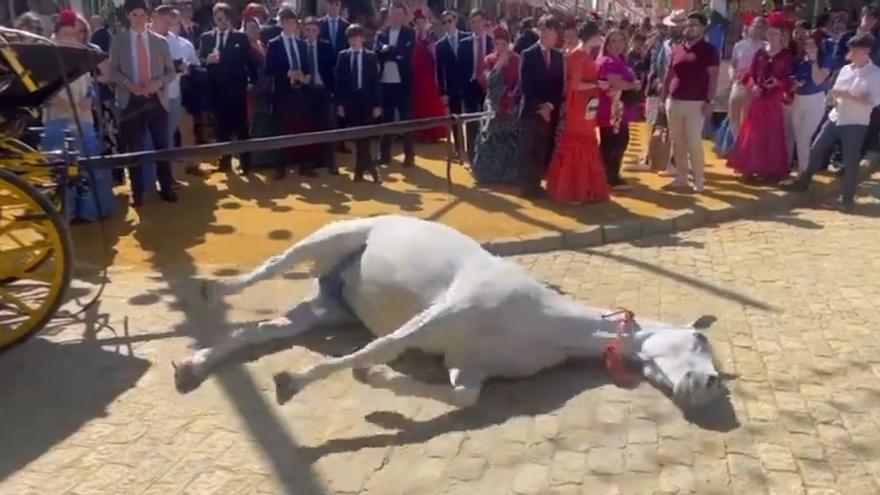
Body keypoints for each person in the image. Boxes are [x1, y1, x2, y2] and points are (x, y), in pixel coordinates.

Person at [782, 33, 880, 211]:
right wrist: (840, 96)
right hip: (835, 116)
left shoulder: (875, 74)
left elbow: (873, 100)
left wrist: (848, 95)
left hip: (855, 122)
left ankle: (847, 199)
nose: (851, 53)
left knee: (851, 161)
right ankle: (804, 182)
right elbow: (835, 90)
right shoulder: (846, 69)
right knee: (816, 149)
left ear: (865, 51)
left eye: (854, 50)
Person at [44, 10, 115, 221]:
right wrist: (64, 104)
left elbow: (90, 84)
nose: (70, 39)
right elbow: (44, 89)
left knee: (87, 167)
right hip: (57, 120)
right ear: (56, 36)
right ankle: (67, 213)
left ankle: (90, 211)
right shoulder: (47, 60)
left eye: (73, 35)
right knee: (61, 171)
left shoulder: (82, 57)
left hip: (83, 120)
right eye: (65, 35)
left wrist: (88, 99)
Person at [109, 0, 178, 207]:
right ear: (128, 16)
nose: (138, 19)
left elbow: (171, 72)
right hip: (130, 100)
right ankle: (137, 192)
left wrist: (157, 83)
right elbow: (113, 71)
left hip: (156, 99)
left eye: (142, 14)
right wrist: (128, 84)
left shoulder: (160, 42)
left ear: (148, 16)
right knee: (135, 148)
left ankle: (165, 187)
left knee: (161, 146)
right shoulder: (119, 40)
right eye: (134, 14)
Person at [545, 20, 609, 204]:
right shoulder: (579, 55)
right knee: (577, 142)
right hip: (579, 106)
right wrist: (597, 84)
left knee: (586, 142)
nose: (601, 39)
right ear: (593, 36)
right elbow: (575, 85)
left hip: (588, 104)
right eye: (599, 35)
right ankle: (573, 190)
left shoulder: (586, 54)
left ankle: (583, 189)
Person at [727, 23, 794, 181]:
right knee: (752, 132)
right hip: (758, 97)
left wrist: (778, 83)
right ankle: (750, 167)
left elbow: (789, 77)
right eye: (770, 33)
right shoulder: (760, 53)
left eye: (775, 34)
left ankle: (768, 169)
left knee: (771, 133)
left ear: (781, 36)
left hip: (774, 99)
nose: (772, 36)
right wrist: (754, 86)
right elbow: (750, 73)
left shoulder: (786, 55)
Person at [661, 11, 720, 193]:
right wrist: (664, 97)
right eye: (688, 24)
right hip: (675, 100)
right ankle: (681, 177)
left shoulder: (709, 50)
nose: (690, 28)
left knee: (694, 141)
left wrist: (710, 100)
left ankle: (699, 179)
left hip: (696, 103)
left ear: (702, 28)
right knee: (677, 141)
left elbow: (713, 78)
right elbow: (669, 74)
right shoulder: (678, 48)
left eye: (694, 25)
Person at [199, 2, 258, 175]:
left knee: (241, 129)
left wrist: (252, 81)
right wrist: (207, 61)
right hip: (216, 92)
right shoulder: (206, 38)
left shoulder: (240, 38)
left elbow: (250, 63)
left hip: (237, 91)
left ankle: (246, 163)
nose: (221, 22)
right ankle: (224, 163)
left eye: (224, 19)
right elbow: (199, 60)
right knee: (221, 129)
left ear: (229, 19)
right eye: (218, 19)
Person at [516, 14, 564, 199]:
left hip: (548, 110)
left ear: (555, 33)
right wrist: (540, 107)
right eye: (542, 30)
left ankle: (536, 184)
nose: (545, 34)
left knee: (542, 148)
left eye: (549, 30)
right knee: (527, 148)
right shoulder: (528, 54)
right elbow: (526, 85)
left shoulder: (559, 56)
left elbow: (558, 85)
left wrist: (550, 105)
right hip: (531, 110)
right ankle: (527, 186)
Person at [470, 25, 520, 184]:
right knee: (490, 139)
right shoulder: (489, 60)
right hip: (493, 106)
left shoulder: (517, 59)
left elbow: (521, 81)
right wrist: (498, 66)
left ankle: (509, 175)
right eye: (497, 43)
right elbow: (486, 82)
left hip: (511, 106)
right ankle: (488, 174)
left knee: (510, 141)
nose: (501, 46)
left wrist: (514, 93)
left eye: (503, 43)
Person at [265, 7, 311, 179]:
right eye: (286, 22)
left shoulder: (301, 43)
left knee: (302, 127)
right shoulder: (274, 44)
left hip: (300, 91)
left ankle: (303, 163)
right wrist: (286, 73)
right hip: (283, 91)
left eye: (293, 22)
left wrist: (306, 77)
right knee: (281, 129)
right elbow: (269, 69)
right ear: (282, 24)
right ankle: (280, 165)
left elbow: (306, 66)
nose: (290, 26)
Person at [336, 24, 383, 183]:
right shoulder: (343, 56)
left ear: (362, 39)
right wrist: (340, 104)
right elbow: (339, 82)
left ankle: (361, 170)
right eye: (351, 38)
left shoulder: (370, 56)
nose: (354, 41)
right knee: (357, 137)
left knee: (365, 137)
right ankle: (367, 168)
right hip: (350, 102)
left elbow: (375, 81)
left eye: (357, 37)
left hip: (367, 101)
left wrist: (377, 104)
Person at [597, 29, 640, 190]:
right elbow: (616, 83)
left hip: (619, 108)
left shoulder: (622, 60)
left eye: (620, 41)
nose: (617, 44)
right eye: (613, 41)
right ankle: (610, 176)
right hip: (612, 109)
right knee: (614, 142)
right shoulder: (607, 61)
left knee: (619, 141)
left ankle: (611, 174)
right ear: (607, 44)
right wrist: (633, 85)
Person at [790, 30, 832, 172]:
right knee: (799, 136)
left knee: (806, 136)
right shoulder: (800, 58)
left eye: (812, 44)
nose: (809, 47)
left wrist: (814, 60)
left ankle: (805, 172)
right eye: (806, 44)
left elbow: (818, 79)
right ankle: (803, 169)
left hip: (815, 98)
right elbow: (793, 77)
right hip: (799, 98)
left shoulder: (825, 57)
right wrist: (795, 83)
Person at [303, 16, 338, 175]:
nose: (311, 33)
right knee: (311, 127)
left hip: (323, 90)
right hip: (306, 92)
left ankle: (331, 162)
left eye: (314, 30)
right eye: (308, 30)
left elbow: (334, 69)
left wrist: (332, 90)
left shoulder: (326, 46)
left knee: (328, 126)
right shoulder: (300, 46)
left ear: (318, 31)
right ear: (304, 30)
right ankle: (315, 160)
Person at [458, 9, 494, 162]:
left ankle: (486, 153)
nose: (476, 25)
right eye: (473, 22)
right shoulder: (464, 44)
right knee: (471, 122)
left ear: (484, 22)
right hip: (470, 85)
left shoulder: (492, 42)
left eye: (478, 21)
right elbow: (459, 67)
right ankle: (472, 155)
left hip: (487, 86)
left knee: (487, 120)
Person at [241, 14, 277, 168]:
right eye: (250, 28)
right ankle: (255, 159)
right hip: (253, 91)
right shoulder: (244, 48)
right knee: (255, 123)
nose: (254, 30)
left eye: (256, 27)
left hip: (268, 89)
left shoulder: (263, 45)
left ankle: (268, 157)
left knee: (267, 123)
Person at [319, 0, 351, 154]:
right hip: (324, 71)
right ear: (326, 6)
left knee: (342, 105)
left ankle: (341, 142)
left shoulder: (346, 26)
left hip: (342, 72)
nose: (334, 7)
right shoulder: (319, 24)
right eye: (331, 4)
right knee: (325, 107)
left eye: (337, 4)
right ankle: (325, 143)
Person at [411, 9, 447, 142]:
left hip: (430, 75)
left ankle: (433, 133)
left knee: (431, 103)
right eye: (418, 22)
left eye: (422, 22)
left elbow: (435, 55)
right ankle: (421, 133)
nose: (420, 25)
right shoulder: (412, 37)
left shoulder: (432, 37)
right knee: (419, 104)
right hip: (417, 75)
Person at [728, 16, 767, 139]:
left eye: (760, 27)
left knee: (748, 119)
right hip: (738, 84)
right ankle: (736, 143)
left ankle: (746, 146)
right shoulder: (739, 45)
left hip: (755, 86)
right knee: (733, 116)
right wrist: (732, 75)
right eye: (754, 25)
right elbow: (732, 64)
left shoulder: (766, 47)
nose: (756, 29)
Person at [435, 10, 468, 156]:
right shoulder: (439, 45)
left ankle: (473, 148)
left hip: (468, 85)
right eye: (444, 22)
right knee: (455, 119)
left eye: (450, 21)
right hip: (452, 88)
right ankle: (459, 149)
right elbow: (439, 71)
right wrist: (442, 92)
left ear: (455, 20)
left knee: (471, 118)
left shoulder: (467, 38)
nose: (447, 25)